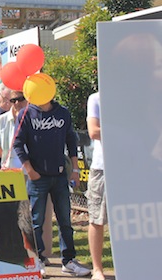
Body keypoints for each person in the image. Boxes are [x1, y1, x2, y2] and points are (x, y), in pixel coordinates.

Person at [12, 97, 91, 277]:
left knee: (65, 220)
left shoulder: (62, 112)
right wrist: (30, 170)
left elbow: (71, 140)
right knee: (36, 220)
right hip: (38, 177)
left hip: (60, 175)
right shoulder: (26, 114)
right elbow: (17, 143)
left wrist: (75, 169)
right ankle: (38, 260)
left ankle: (68, 260)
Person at [86, 92, 106, 280]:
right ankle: (97, 269)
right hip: (103, 167)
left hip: (133, 165)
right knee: (97, 218)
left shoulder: (135, 94)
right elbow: (93, 131)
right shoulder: (96, 98)